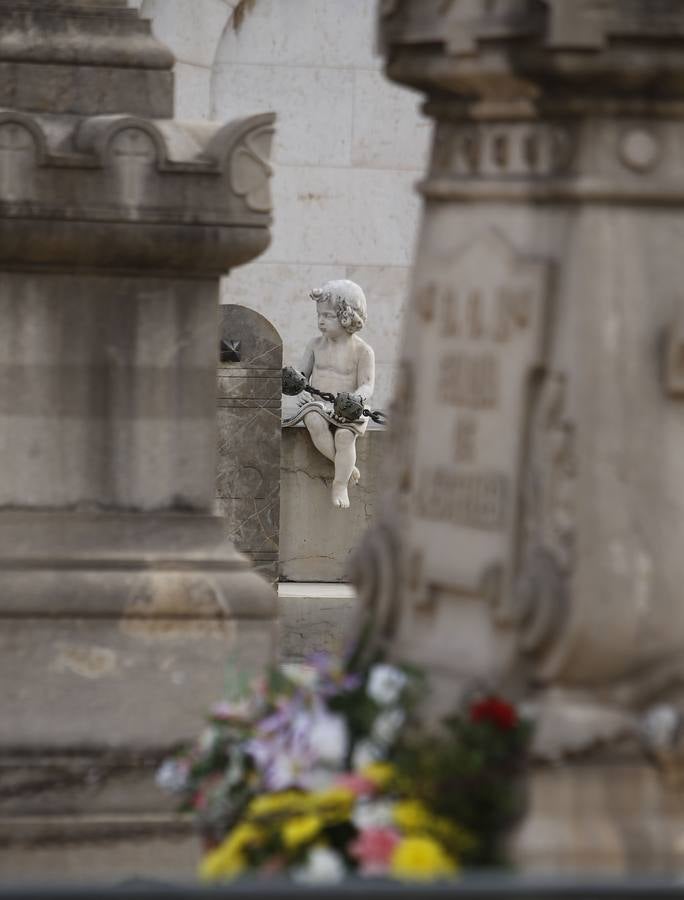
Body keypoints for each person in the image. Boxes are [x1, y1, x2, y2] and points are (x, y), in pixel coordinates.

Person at [299, 279, 375, 508]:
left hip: (348, 407)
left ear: (347, 317)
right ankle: (345, 466)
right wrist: (301, 389)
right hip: (318, 405)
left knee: (344, 436)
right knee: (313, 420)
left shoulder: (362, 351)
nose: (321, 321)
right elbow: (302, 375)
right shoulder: (314, 345)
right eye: (319, 315)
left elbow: (367, 386)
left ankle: (340, 483)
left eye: (328, 316)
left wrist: (356, 399)